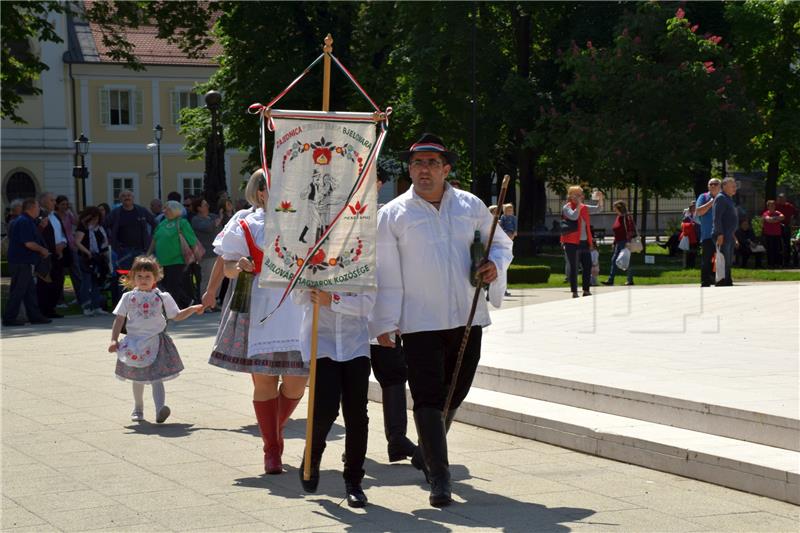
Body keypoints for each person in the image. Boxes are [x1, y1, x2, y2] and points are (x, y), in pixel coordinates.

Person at [370, 133, 513, 507]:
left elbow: (500, 242)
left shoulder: (471, 205)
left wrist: (494, 266)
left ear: (446, 169)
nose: (424, 170)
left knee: (457, 390)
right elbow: (385, 272)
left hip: (467, 318)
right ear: (410, 169)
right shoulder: (394, 214)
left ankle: (426, 454)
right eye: (418, 163)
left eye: (433, 163)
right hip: (419, 323)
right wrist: (384, 323)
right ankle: (440, 476)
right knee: (429, 397)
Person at [209, 170, 307, 475]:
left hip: (298, 308)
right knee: (264, 381)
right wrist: (238, 267)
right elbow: (226, 267)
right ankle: (272, 449)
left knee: (296, 384)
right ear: (261, 192)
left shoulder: (306, 221)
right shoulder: (246, 223)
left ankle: (273, 430)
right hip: (259, 307)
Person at [294, 288, 374, 507]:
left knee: (357, 414)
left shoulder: (365, 256)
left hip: (355, 343)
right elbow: (297, 297)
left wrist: (333, 301)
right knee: (324, 409)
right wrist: (307, 287)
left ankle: (354, 481)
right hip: (321, 343)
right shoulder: (313, 257)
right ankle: (312, 456)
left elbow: (367, 303)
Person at [108, 256, 204, 422]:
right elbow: (119, 319)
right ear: (132, 277)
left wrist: (192, 309)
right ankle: (138, 408)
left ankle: (160, 408)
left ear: (156, 277)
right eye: (139, 276)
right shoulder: (128, 297)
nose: (143, 280)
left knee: (156, 377)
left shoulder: (162, 297)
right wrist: (113, 339)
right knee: (137, 378)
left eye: (147, 276)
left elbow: (176, 315)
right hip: (134, 342)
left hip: (156, 342)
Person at [2, 198, 52, 326]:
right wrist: (43, 250)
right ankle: (9, 317)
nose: (39, 210)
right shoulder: (24, 222)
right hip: (22, 261)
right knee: (18, 290)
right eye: (37, 207)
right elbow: (28, 243)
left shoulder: (24, 221)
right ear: (31, 208)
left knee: (29, 291)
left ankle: (35, 316)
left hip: (23, 261)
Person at [149, 201, 197, 308]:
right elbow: (155, 239)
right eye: (164, 209)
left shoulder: (182, 222)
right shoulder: (162, 223)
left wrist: (196, 255)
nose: (164, 211)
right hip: (162, 261)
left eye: (167, 209)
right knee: (165, 284)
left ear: (176, 210)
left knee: (172, 285)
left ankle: (173, 309)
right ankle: (186, 301)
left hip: (177, 260)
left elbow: (192, 240)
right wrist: (149, 254)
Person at [561, 185, 602, 297]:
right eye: (578, 194)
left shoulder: (583, 207)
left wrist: (600, 199)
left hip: (584, 242)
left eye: (581, 194)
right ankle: (574, 291)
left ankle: (586, 290)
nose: (581, 196)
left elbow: (598, 209)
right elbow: (574, 216)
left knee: (587, 265)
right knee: (574, 267)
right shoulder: (566, 207)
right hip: (571, 242)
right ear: (571, 196)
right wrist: (579, 205)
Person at [75, 206, 112, 316]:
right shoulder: (83, 227)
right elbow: (77, 242)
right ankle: (86, 306)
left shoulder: (99, 228)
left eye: (97, 218)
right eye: (93, 218)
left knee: (97, 282)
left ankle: (96, 306)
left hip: (98, 258)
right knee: (86, 282)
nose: (95, 220)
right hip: (85, 258)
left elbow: (104, 243)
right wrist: (88, 252)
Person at [36, 192, 68, 318]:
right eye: (51, 200)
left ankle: (51, 308)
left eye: (55, 200)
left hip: (59, 254)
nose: (54, 203)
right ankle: (43, 310)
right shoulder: (39, 216)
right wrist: (54, 248)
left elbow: (62, 234)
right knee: (45, 283)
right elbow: (40, 236)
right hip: (46, 254)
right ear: (43, 202)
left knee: (58, 281)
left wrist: (63, 244)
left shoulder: (55, 216)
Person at [108, 190, 155, 272]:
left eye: (129, 195)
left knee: (141, 273)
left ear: (133, 198)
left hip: (141, 249)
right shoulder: (115, 213)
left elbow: (154, 223)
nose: (127, 197)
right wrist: (110, 240)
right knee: (125, 275)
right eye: (124, 196)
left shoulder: (141, 211)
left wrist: (151, 238)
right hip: (123, 251)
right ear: (120, 199)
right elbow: (105, 225)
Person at [191, 197, 221, 309]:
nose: (207, 206)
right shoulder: (196, 220)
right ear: (198, 208)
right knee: (207, 278)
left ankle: (214, 301)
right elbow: (208, 227)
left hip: (217, 252)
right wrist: (217, 222)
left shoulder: (213, 217)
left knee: (218, 278)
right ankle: (205, 304)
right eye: (204, 204)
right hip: (206, 254)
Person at [712, 177, 739, 286]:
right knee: (724, 259)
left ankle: (727, 280)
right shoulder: (721, 198)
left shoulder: (728, 198)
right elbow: (717, 218)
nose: (735, 188)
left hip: (729, 235)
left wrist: (733, 235)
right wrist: (719, 234)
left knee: (728, 260)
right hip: (723, 235)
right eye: (732, 186)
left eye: (735, 186)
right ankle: (722, 281)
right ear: (724, 186)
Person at [602, 200, 635, 286]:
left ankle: (629, 280)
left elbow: (630, 230)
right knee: (614, 260)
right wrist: (614, 242)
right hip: (619, 242)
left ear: (619, 208)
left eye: (615, 207)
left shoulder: (626, 217)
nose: (614, 209)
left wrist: (628, 242)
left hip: (625, 242)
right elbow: (616, 231)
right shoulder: (618, 217)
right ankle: (611, 280)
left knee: (626, 261)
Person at [696, 178, 721, 287]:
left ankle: (721, 280)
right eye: (711, 184)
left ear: (720, 186)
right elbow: (699, 212)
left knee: (721, 259)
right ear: (708, 186)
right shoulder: (704, 197)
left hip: (721, 234)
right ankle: (705, 282)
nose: (713, 185)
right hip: (707, 235)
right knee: (706, 260)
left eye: (715, 184)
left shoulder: (724, 198)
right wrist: (711, 202)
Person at [761, 200, 785, 268]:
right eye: (770, 205)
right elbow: (768, 220)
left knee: (777, 249)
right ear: (768, 206)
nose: (772, 206)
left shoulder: (778, 212)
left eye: (773, 205)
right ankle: (770, 264)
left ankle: (778, 264)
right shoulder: (765, 213)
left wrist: (773, 219)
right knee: (770, 249)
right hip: (768, 234)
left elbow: (782, 217)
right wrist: (777, 219)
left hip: (777, 234)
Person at [775, 194, 796, 266]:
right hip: (777, 226)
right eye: (780, 199)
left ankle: (787, 261)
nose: (781, 200)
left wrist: (792, 222)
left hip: (787, 226)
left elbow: (794, 215)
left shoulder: (789, 206)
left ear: (785, 199)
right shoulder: (776, 206)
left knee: (787, 244)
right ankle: (779, 261)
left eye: (782, 199)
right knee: (778, 244)